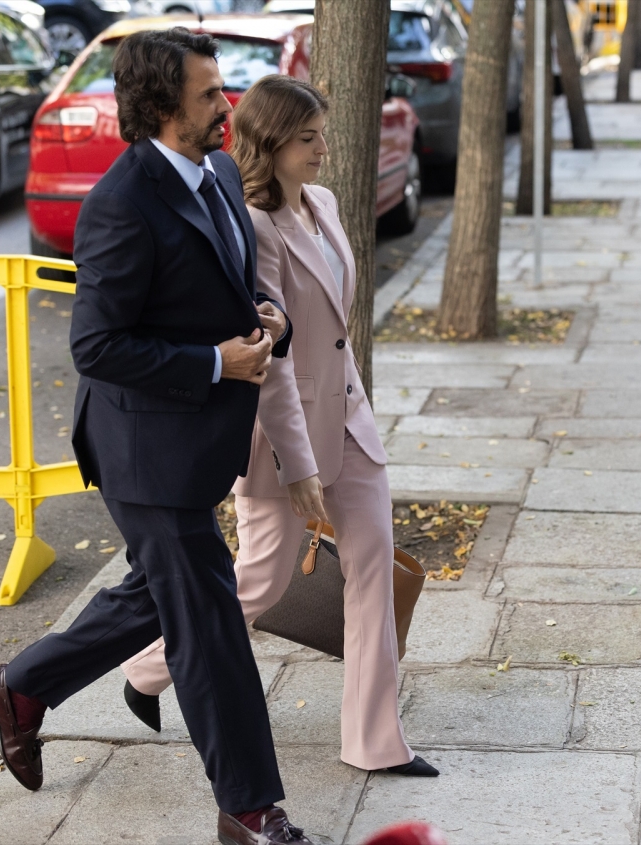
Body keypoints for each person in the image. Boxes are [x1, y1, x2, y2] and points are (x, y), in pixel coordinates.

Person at [0, 28, 314, 845]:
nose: (226, 105)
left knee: (160, 591)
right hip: (143, 452)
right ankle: (250, 809)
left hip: (198, 443)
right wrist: (214, 362)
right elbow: (96, 346)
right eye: (208, 94)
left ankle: (21, 686)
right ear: (162, 107)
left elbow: (229, 289)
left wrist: (269, 322)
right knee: (208, 623)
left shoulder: (219, 172)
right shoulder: (119, 204)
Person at [119, 75, 438, 780]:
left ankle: (375, 741)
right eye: (307, 138)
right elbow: (272, 360)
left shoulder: (324, 203)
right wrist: (300, 466)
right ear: (268, 142)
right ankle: (148, 667)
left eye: (322, 134)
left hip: (349, 419)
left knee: (373, 569)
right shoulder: (253, 229)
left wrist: (355, 409)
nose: (323, 149)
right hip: (283, 436)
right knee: (259, 583)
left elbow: (334, 332)